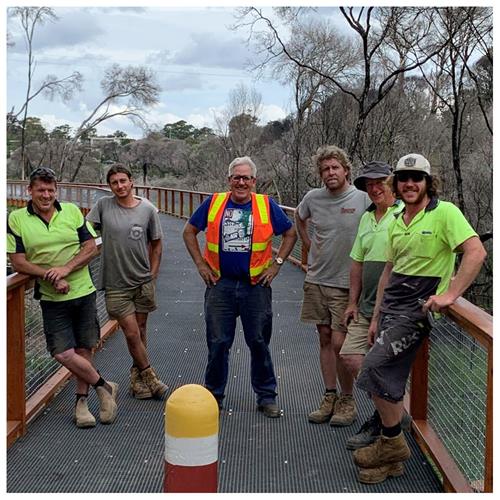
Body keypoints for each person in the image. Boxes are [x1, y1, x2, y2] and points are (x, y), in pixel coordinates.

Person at [353, 153, 486, 484]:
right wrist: (375, 316)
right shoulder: (398, 219)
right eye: (403, 178)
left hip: (417, 309)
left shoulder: (444, 213)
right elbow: (388, 269)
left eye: (417, 178)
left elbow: (476, 252)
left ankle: (393, 444)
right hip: (391, 305)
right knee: (388, 377)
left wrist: (451, 294)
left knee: (373, 367)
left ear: (428, 183)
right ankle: (391, 454)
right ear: (396, 184)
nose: (410, 184)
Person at [182, 156, 297, 418]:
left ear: (254, 181)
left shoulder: (266, 205)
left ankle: (266, 396)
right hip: (219, 284)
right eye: (237, 177)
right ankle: (213, 395)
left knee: (258, 342)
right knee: (218, 342)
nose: (241, 182)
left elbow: (290, 233)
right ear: (229, 180)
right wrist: (200, 264)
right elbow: (189, 231)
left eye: (246, 178)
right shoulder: (214, 202)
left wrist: (277, 264)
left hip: (255, 286)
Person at [7, 167, 118, 428]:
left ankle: (81, 403)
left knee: (83, 348)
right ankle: (103, 386)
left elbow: (90, 247)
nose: (46, 195)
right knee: (61, 352)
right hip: (51, 296)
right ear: (29, 191)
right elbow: (18, 262)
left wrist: (66, 269)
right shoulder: (17, 219)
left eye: (50, 190)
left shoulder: (70, 212)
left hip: (83, 291)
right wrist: (51, 275)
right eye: (40, 190)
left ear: (56, 190)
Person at [296, 145, 370, 427]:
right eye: (325, 169)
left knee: (341, 343)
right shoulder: (313, 198)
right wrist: (307, 243)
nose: (330, 173)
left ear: (346, 170)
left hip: (345, 283)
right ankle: (329, 396)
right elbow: (299, 218)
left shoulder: (363, 199)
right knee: (324, 337)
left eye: (334, 168)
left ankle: (347, 399)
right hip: (317, 278)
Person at [341, 161, 409, 450]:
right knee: (351, 357)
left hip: (393, 308)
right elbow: (357, 261)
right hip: (366, 305)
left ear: (391, 183)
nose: (375, 188)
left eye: (380, 182)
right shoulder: (367, 217)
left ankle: (384, 421)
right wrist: (352, 302)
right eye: (369, 185)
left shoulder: (406, 213)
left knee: (378, 368)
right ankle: (388, 413)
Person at [87, 164, 167, 400]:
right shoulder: (103, 206)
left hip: (142, 280)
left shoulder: (148, 209)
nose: (120, 186)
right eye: (114, 183)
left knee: (141, 330)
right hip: (116, 282)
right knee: (131, 333)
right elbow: (85, 231)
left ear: (131, 182)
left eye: (123, 181)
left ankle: (137, 381)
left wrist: (152, 275)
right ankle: (151, 377)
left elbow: (157, 244)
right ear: (109, 186)